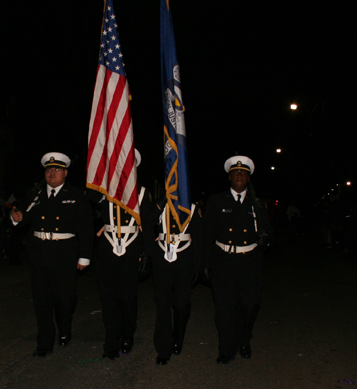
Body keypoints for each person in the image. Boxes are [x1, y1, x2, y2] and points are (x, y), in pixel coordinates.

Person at [11, 153, 94, 357]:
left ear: (65, 172)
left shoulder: (76, 195)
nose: (52, 173)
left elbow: (86, 228)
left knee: (64, 299)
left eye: (56, 170)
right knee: (42, 299)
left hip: (65, 252)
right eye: (48, 170)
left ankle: (64, 329)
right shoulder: (35, 193)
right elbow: (23, 217)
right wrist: (15, 218)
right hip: (39, 251)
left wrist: (85, 256)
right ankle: (44, 342)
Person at [203, 156, 272, 364]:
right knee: (224, 308)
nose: (239, 175)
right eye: (236, 172)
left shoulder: (257, 203)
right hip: (223, 261)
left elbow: (269, 231)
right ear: (230, 177)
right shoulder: (216, 201)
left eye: (243, 173)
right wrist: (204, 264)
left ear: (248, 178)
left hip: (249, 261)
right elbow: (207, 235)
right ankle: (226, 348)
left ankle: (244, 339)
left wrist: (266, 239)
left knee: (250, 305)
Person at [88, 150, 153, 361]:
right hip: (107, 247)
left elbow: (149, 227)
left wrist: (146, 254)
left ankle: (127, 334)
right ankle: (111, 341)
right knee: (108, 299)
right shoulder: (103, 190)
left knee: (127, 298)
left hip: (131, 247)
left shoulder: (142, 193)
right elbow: (91, 195)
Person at [148, 183, 202, 366]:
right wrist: (159, 205)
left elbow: (199, 237)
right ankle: (163, 348)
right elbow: (146, 223)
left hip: (184, 257)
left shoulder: (192, 207)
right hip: (161, 258)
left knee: (181, 305)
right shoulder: (159, 205)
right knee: (162, 304)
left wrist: (197, 266)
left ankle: (178, 338)